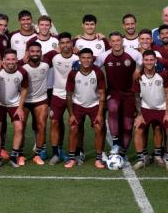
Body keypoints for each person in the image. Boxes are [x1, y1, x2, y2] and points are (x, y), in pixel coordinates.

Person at [96, 31, 141, 161]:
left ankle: (122, 153)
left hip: (130, 94)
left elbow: (144, 62)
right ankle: (115, 144)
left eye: (118, 40)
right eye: (113, 41)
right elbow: (94, 69)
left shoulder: (133, 54)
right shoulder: (104, 56)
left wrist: (138, 69)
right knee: (113, 109)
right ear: (110, 43)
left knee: (127, 126)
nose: (116, 43)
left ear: (122, 41)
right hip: (113, 93)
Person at [64, 48, 106, 169]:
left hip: (94, 105)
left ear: (92, 59)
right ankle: (72, 158)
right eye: (83, 58)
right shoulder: (73, 73)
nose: (86, 60)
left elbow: (102, 94)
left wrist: (100, 114)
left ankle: (98, 158)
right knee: (73, 128)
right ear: (79, 59)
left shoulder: (98, 72)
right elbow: (68, 95)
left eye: (89, 58)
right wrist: (71, 114)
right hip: (78, 105)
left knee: (99, 127)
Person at [132, 50, 168, 170]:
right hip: (146, 108)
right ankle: (141, 159)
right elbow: (136, 96)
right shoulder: (138, 76)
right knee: (138, 130)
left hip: (162, 109)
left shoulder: (163, 74)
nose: (149, 62)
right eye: (146, 60)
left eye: (151, 60)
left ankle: (166, 158)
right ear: (143, 61)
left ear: (155, 61)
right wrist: (139, 114)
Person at [43, 32, 78, 165]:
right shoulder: (54, 57)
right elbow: (40, 58)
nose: (65, 45)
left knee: (75, 125)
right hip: (57, 95)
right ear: (59, 45)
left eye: (67, 42)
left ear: (72, 43)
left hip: (74, 97)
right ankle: (56, 153)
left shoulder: (78, 58)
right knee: (54, 123)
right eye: (62, 43)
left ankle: (75, 153)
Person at [0, 49, 29, 167]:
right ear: (3, 61)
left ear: (17, 60)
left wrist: (20, 107)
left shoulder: (22, 72)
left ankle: (14, 155)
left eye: (13, 59)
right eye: (8, 59)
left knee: (19, 128)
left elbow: (25, 89)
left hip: (14, 104)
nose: (11, 62)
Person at [20, 42, 51, 164]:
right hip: (25, 101)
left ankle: (38, 154)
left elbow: (58, 52)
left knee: (42, 125)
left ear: (41, 53)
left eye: (37, 51)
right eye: (32, 51)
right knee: (21, 127)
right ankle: (20, 153)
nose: (35, 54)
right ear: (28, 53)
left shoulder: (46, 64)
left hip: (41, 100)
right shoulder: (21, 67)